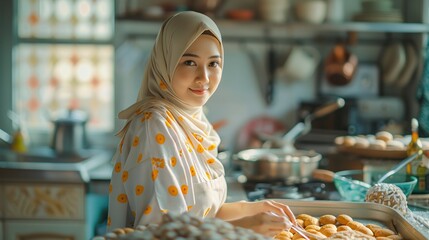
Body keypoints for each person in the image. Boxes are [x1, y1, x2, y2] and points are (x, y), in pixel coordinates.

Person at [107, 11, 296, 237]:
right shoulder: (154, 125)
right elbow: (160, 233)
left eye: (213, 63)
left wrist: (252, 208)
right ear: (165, 63)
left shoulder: (193, 119)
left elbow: (200, 214)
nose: (204, 77)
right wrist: (244, 226)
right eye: (189, 62)